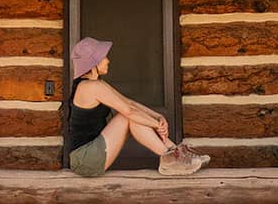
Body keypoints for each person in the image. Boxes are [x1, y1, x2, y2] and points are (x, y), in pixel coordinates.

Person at [67, 36, 209, 177]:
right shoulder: (90, 87)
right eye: (104, 57)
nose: (108, 60)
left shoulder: (97, 84)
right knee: (126, 117)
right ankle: (171, 158)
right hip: (84, 159)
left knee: (130, 116)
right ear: (94, 63)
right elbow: (128, 111)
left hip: (90, 155)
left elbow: (130, 103)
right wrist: (156, 125)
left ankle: (175, 153)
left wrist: (157, 117)